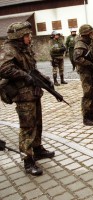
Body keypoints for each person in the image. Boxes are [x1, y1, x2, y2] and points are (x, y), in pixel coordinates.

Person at [0, 22, 55, 176]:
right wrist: (26, 77)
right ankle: (28, 160)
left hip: (33, 93)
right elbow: (4, 69)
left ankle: (37, 149)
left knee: (37, 122)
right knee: (27, 127)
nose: (30, 37)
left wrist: (44, 79)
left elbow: (32, 69)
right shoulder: (9, 49)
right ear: (18, 36)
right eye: (26, 35)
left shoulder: (24, 48)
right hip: (23, 95)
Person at [73, 24, 93, 126]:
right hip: (85, 72)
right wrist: (90, 64)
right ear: (87, 33)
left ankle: (92, 113)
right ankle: (86, 117)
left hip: (91, 71)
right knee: (88, 94)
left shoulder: (89, 42)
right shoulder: (80, 44)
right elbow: (77, 59)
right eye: (91, 33)